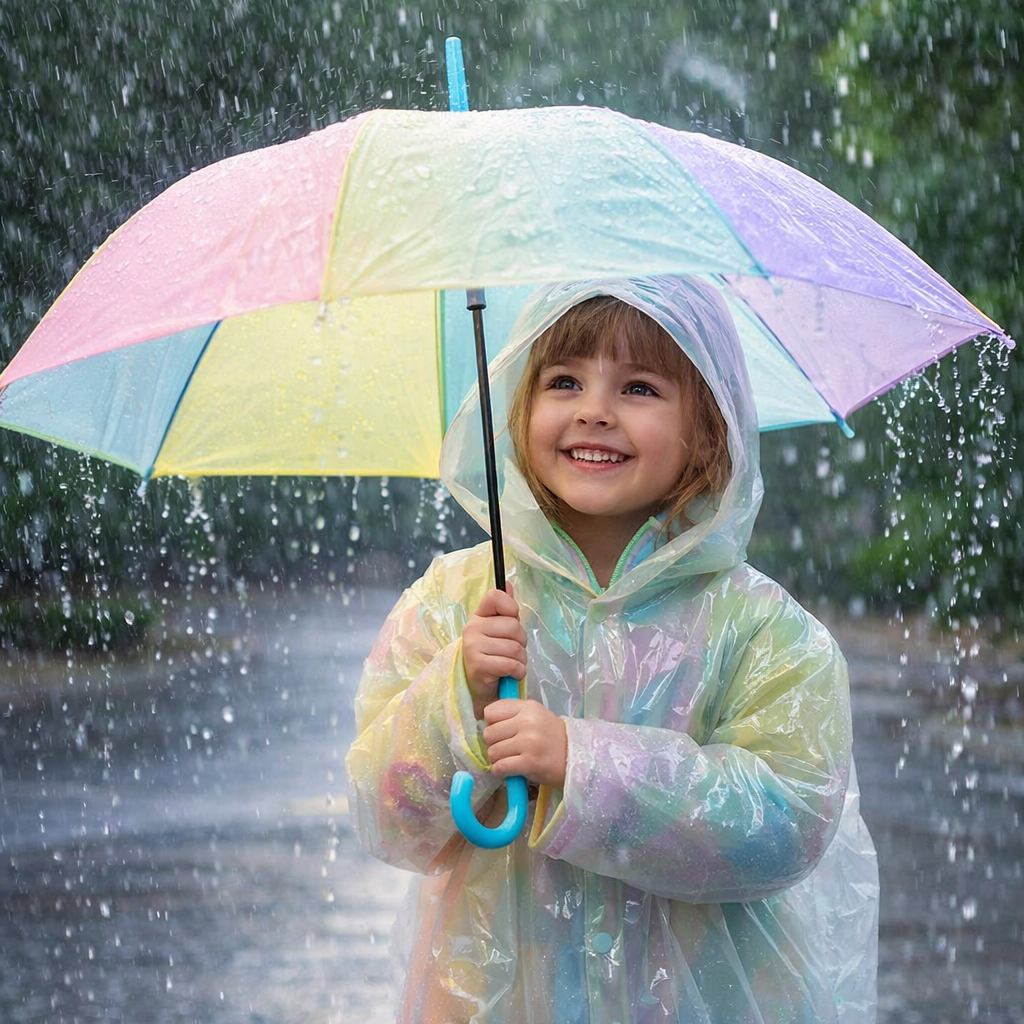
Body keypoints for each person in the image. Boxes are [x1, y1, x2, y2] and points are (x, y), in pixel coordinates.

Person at [345, 275, 879, 1024]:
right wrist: (456, 697)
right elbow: (383, 814)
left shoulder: (760, 628)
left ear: (710, 426)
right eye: (563, 380)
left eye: (639, 388)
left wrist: (579, 761)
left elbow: (786, 824)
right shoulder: (455, 602)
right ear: (520, 407)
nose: (594, 410)